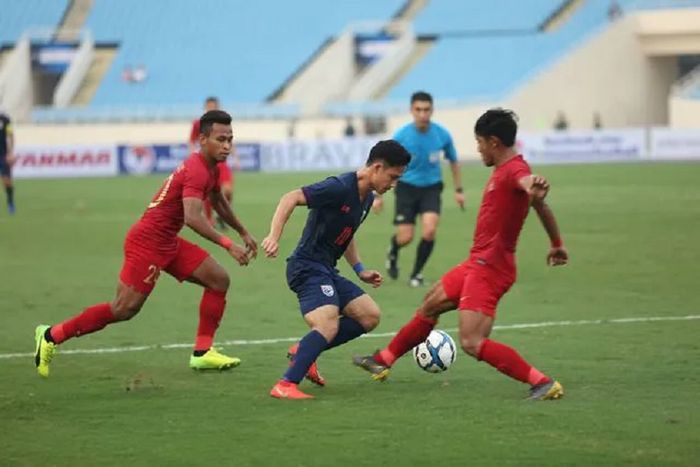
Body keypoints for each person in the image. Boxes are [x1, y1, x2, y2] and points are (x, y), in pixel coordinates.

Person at [354, 109, 569, 401]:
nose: (478, 148)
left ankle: (542, 382)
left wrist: (534, 184)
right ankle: (384, 359)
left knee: (472, 341)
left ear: (493, 142)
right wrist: (556, 242)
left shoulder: (515, 171)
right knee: (431, 304)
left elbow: (527, 182)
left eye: (479, 142)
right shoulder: (506, 170)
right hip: (476, 263)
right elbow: (539, 205)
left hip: (491, 268)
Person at [34, 110, 258, 378]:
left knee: (219, 280)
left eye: (230, 140)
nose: (227, 146)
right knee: (123, 309)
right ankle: (51, 335)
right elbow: (192, 217)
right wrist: (227, 244)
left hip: (167, 241)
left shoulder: (211, 167)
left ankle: (202, 353)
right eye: (221, 139)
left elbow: (218, 200)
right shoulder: (197, 169)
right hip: (148, 242)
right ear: (202, 139)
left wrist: (243, 232)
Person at [261, 140, 411, 400]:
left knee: (369, 316)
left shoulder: (367, 197)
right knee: (327, 323)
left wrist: (360, 269)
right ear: (376, 168)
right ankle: (285, 385)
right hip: (306, 267)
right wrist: (274, 236)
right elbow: (291, 197)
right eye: (393, 177)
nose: (393, 184)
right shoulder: (339, 187)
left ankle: (303, 350)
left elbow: (347, 233)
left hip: (326, 270)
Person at [374, 91, 464, 288]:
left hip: (431, 188)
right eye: (418, 110)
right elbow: (384, 164)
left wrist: (458, 190)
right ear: (411, 110)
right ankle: (394, 249)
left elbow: (454, 161)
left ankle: (416, 274)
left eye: (426, 110)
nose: (422, 114)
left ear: (432, 110)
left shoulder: (442, 134)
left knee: (430, 230)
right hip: (406, 188)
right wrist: (377, 195)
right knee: (406, 237)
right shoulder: (402, 136)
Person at [189, 97, 236, 229]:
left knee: (228, 190)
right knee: (209, 192)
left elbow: (230, 140)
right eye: (209, 106)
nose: (211, 108)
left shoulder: (223, 123)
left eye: (213, 106)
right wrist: (193, 155)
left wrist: (236, 157)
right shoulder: (199, 124)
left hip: (222, 163)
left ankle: (222, 216)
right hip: (208, 161)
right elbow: (192, 141)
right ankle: (210, 220)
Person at [0, 106, 15, 214]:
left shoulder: (5, 119)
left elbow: (10, 136)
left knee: (7, 181)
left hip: (3, 155)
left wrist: (10, 153)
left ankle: (10, 202)